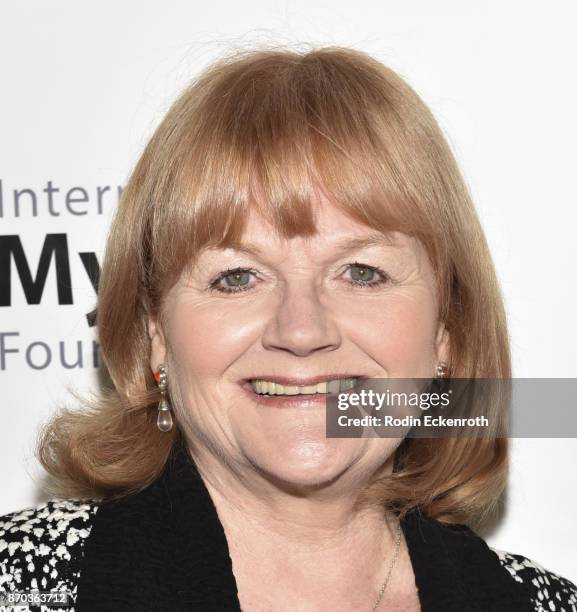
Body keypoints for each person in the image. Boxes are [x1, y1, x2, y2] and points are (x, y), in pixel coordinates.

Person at [1, 45, 575, 612]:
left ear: (446, 330)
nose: (301, 332)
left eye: (362, 272)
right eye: (237, 277)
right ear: (154, 331)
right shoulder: (22, 587)